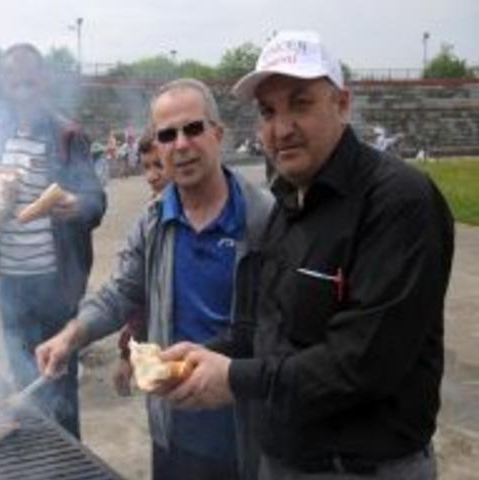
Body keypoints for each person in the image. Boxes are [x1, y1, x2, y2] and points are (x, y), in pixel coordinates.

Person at [158, 30, 454, 479]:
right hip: (282, 462)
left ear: (342, 104)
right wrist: (202, 356)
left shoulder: (398, 201)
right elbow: (267, 330)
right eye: (268, 111)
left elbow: (361, 364)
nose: (281, 128)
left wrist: (234, 378)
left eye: (300, 103)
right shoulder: (289, 203)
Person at [36, 78, 274, 480]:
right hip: (174, 430)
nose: (181, 144)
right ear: (158, 146)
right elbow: (120, 293)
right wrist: (70, 336)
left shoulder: (264, 220)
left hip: (244, 431)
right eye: (167, 135)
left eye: (193, 128)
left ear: (218, 134)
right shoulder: (153, 221)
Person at [0, 43, 106, 438]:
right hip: (9, 284)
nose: (22, 88)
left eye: (30, 79)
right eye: (14, 80)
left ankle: (68, 461)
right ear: (3, 84)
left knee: (59, 387)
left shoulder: (67, 135)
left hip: (55, 287)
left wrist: (78, 203)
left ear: (42, 82)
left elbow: (97, 199)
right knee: (24, 388)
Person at [111, 127, 171, 397]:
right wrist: (127, 354)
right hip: (158, 354)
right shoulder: (150, 218)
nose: (151, 176)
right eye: (146, 167)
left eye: (159, 165)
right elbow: (138, 295)